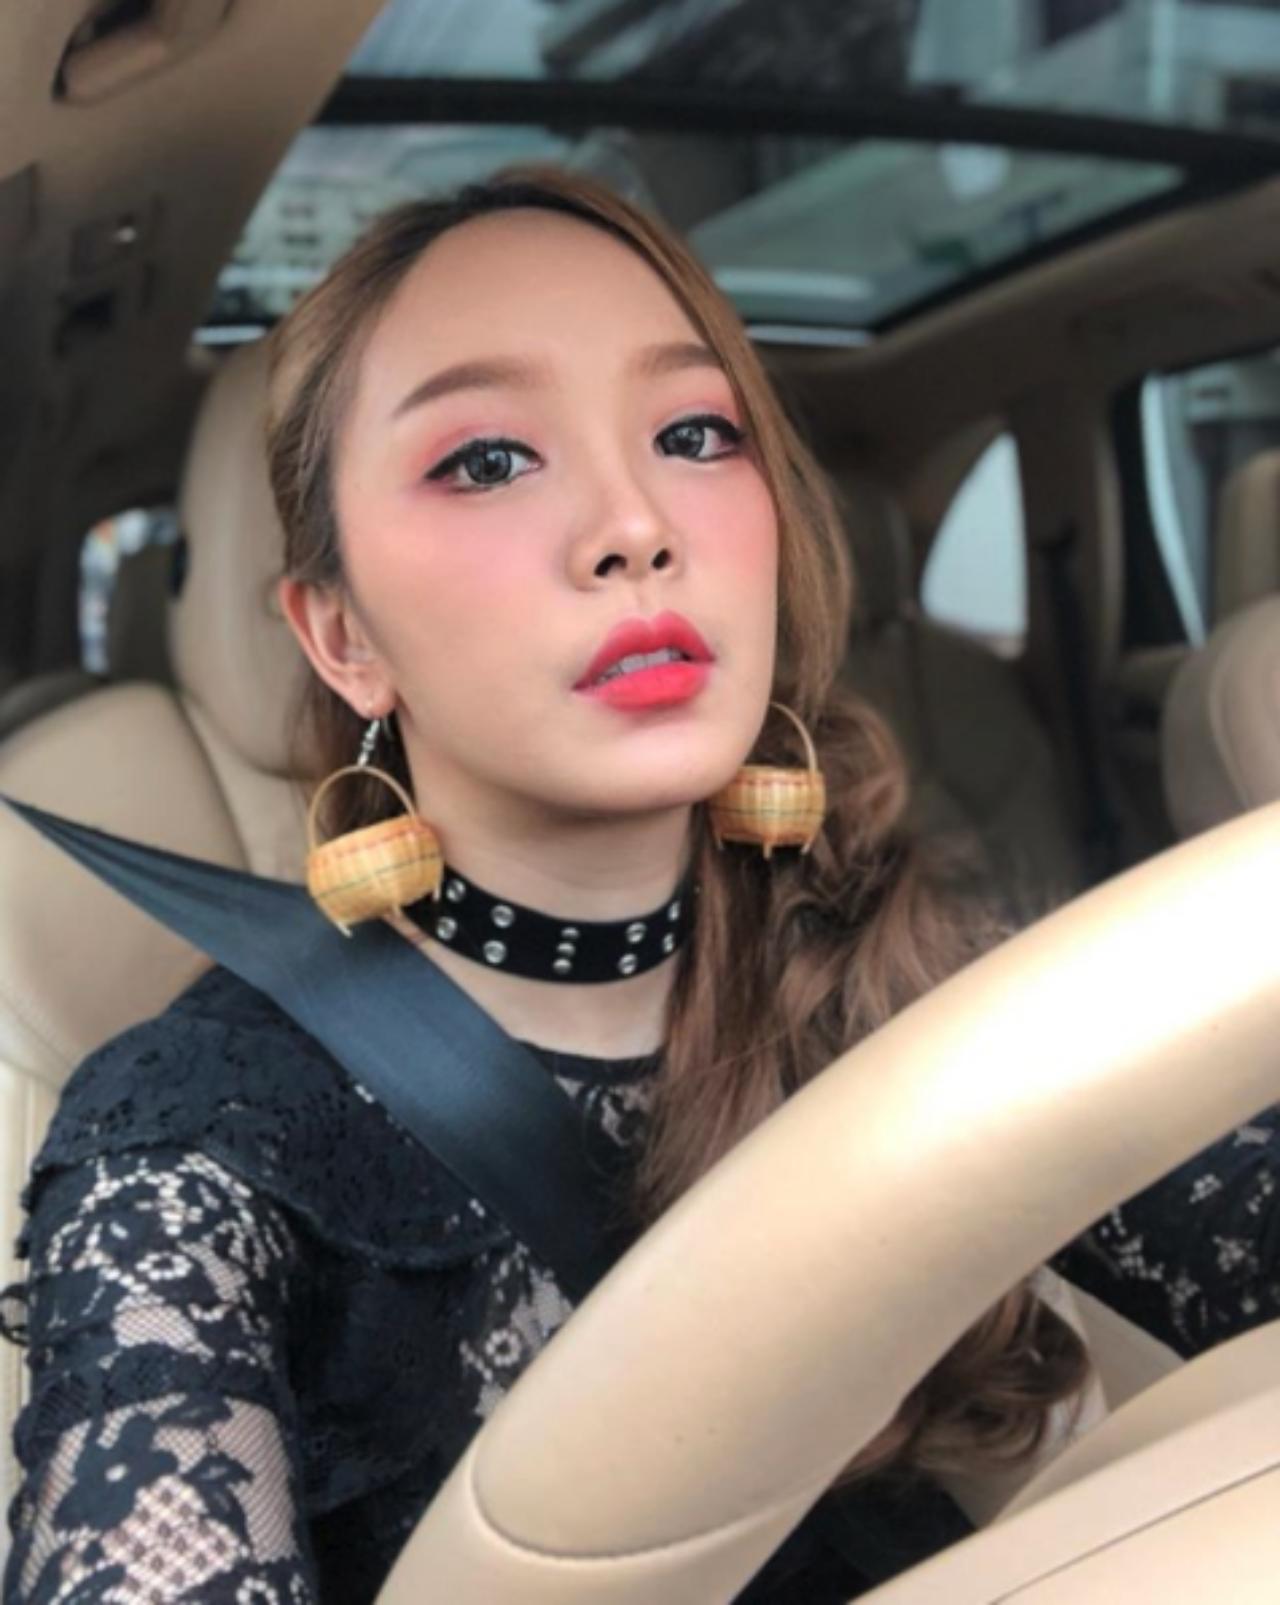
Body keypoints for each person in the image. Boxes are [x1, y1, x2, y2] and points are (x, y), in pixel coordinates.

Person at [2, 168, 1276, 1605]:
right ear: (343, 635)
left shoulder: (899, 960)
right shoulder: (188, 1146)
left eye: (693, 434)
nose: (633, 523)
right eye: (487, 458)